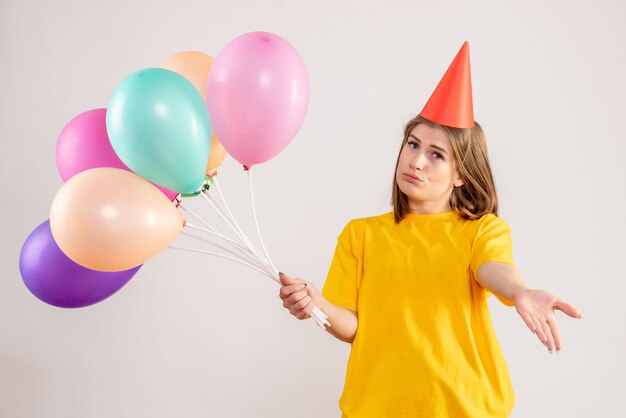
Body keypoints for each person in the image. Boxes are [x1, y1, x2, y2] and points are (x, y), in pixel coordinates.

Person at [278, 42, 581, 417]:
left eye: (436, 154)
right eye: (413, 144)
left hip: (465, 405)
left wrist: (520, 291)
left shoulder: (481, 231)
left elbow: (492, 269)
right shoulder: (361, 234)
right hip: (377, 406)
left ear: (461, 175)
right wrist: (317, 305)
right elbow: (352, 326)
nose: (416, 161)